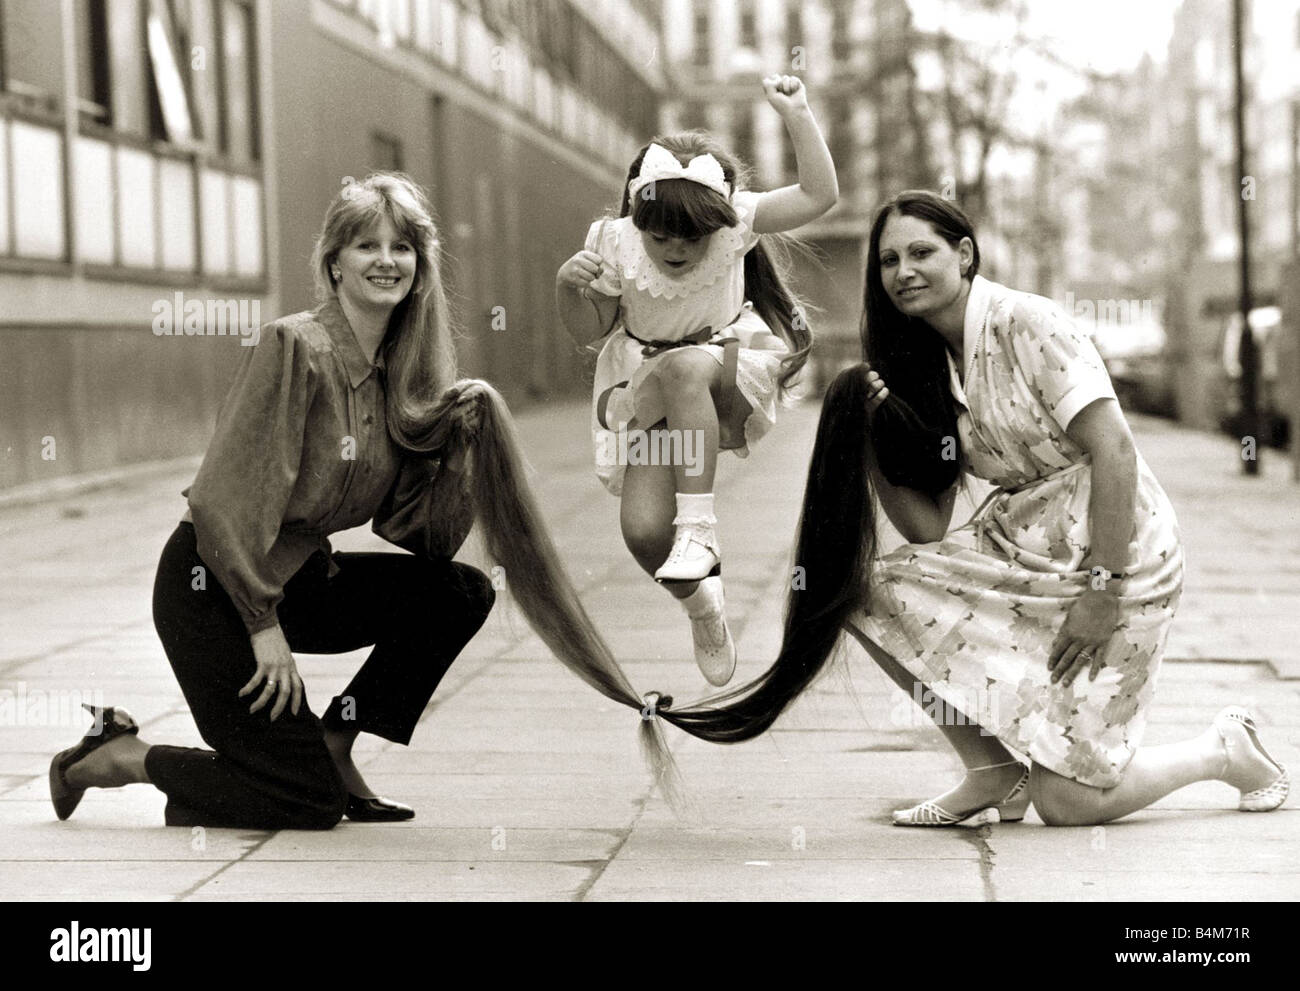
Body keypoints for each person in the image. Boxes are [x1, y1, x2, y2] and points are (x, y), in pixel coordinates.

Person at [49, 174, 683, 829]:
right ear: (334, 264)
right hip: (213, 588)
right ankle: (119, 753)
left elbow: (419, 536)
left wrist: (458, 456)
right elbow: (221, 503)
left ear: (421, 265)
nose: (386, 259)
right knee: (304, 799)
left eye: (402, 247)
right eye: (366, 246)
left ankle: (333, 740)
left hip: (300, 580)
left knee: (458, 592)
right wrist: (262, 627)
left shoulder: (399, 378)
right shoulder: (293, 347)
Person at [639, 190, 1288, 827]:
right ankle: (991, 770)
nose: (904, 271)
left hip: (1119, 549)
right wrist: (867, 429)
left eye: (922, 252)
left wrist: (1103, 587)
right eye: (889, 261)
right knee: (862, 591)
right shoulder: (923, 363)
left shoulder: (1027, 322)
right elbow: (927, 527)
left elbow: (1115, 450)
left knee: (1068, 803)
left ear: (966, 254)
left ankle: (1221, 749)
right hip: (1020, 547)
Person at [555, 73, 837, 688]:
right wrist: (567, 286)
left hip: (724, 367)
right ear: (638, 218)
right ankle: (704, 604)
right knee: (643, 532)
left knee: (684, 366)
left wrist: (797, 114)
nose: (676, 250)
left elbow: (819, 196)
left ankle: (700, 531)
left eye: (692, 239)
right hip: (651, 384)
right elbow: (590, 328)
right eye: (661, 237)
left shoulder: (737, 220)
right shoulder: (613, 241)